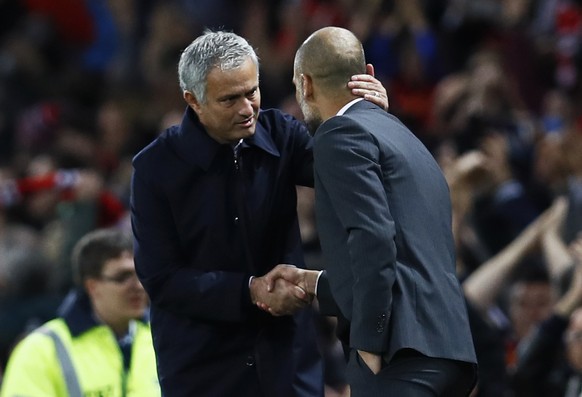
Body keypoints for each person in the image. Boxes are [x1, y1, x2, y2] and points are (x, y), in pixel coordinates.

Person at [129, 29, 388, 397]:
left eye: (252, 91)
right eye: (230, 99)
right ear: (193, 100)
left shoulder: (281, 133)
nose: (248, 108)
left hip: (289, 368)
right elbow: (162, 278)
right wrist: (249, 291)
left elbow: (350, 173)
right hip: (205, 375)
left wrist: (371, 121)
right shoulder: (155, 169)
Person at [261, 26, 478, 396]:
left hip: (399, 354)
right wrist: (314, 284)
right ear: (369, 75)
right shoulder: (407, 138)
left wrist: (368, 341)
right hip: (449, 352)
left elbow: (375, 240)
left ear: (305, 85)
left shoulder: (337, 134)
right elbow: (407, 261)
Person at [0, 228, 159, 397]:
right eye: (123, 277)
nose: (138, 287)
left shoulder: (161, 337)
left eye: (140, 275)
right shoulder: (40, 350)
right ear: (92, 286)